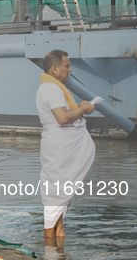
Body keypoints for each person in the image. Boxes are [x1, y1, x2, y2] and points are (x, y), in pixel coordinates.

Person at [36, 50, 95, 239]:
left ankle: (58, 234)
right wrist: (83, 109)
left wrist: (78, 108)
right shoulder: (52, 89)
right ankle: (50, 249)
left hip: (58, 146)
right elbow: (62, 118)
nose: (70, 70)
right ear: (54, 69)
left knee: (61, 191)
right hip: (59, 147)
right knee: (57, 192)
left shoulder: (50, 87)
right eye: (66, 66)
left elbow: (62, 115)